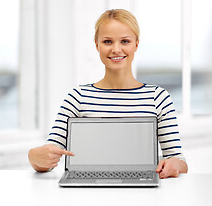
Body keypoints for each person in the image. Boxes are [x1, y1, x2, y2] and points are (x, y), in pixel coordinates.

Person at [28, 9, 188, 178]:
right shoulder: (78, 97)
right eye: (108, 41)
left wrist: (174, 164)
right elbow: (49, 155)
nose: (116, 49)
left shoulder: (157, 97)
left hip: (142, 192)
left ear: (136, 44)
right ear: (97, 45)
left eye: (125, 41)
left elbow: (178, 160)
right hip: (87, 192)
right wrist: (34, 158)